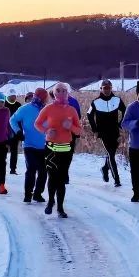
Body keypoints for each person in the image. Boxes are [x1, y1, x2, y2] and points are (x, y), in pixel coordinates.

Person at [35, 83, 82, 218]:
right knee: (52, 177)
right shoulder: (48, 108)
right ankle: (50, 202)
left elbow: (79, 130)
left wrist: (71, 127)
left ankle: (60, 208)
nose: (61, 93)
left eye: (64, 91)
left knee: (61, 179)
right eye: (58, 91)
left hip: (66, 149)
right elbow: (37, 124)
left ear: (68, 93)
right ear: (54, 93)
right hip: (51, 148)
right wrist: (47, 131)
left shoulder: (72, 110)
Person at [10, 87, 48, 203]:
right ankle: (28, 194)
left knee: (43, 171)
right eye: (44, 98)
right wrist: (18, 131)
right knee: (31, 168)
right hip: (29, 145)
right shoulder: (24, 109)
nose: (46, 101)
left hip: (44, 145)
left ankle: (37, 194)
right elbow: (13, 120)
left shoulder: (47, 110)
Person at [87, 79, 127, 187]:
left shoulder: (117, 100)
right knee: (111, 155)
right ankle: (117, 180)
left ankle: (105, 168)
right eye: (104, 88)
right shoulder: (95, 102)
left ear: (111, 88)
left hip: (115, 131)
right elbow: (89, 115)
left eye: (109, 88)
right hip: (103, 132)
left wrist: (121, 123)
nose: (107, 90)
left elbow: (125, 111)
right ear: (101, 89)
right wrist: (95, 130)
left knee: (112, 154)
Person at [5, 88, 23, 175]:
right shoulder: (3, 104)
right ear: (8, 96)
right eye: (11, 96)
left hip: (15, 132)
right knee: (3, 150)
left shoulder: (18, 105)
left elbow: (21, 120)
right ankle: (1, 167)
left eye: (14, 96)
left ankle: (13, 169)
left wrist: (20, 131)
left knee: (14, 151)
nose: (13, 98)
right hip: (4, 132)